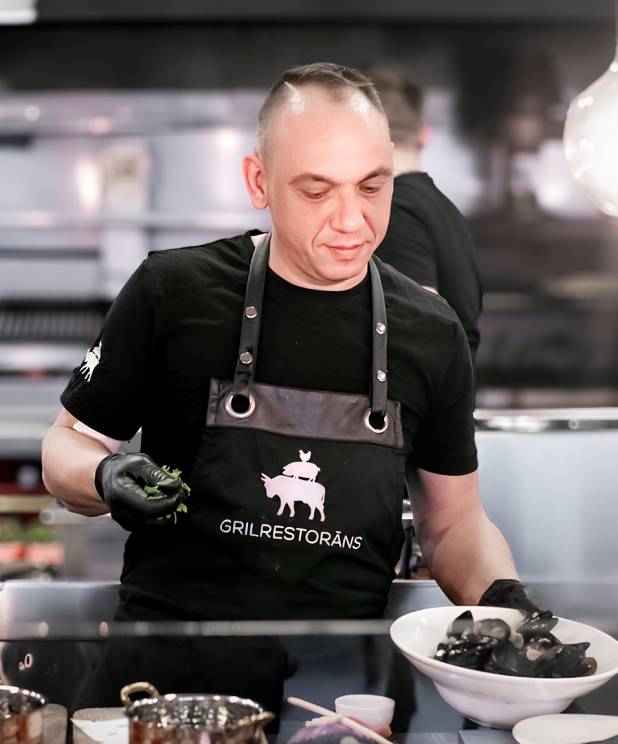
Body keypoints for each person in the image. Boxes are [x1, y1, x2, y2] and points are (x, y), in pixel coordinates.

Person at [41, 63, 541, 707]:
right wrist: (103, 476)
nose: (352, 220)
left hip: (342, 694)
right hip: (167, 684)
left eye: (372, 186)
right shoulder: (172, 291)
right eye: (317, 190)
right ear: (259, 181)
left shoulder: (430, 331)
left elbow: (454, 524)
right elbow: (65, 448)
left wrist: (505, 600)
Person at [370, 65, 483, 361]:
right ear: (425, 135)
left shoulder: (395, 209)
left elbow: (417, 333)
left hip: (422, 393)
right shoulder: (443, 208)